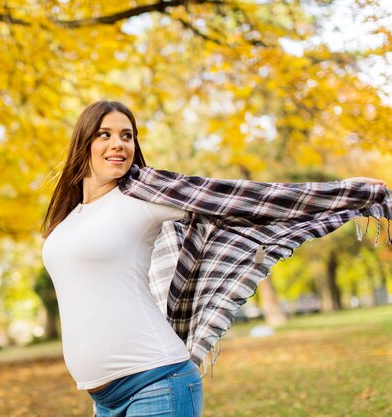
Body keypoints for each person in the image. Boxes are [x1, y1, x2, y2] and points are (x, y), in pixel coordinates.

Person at [41, 100, 390, 417]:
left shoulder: (143, 198)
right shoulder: (68, 217)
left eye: (127, 135)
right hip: (104, 401)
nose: (119, 143)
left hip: (156, 382)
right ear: (83, 141)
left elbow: (246, 199)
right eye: (105, 134)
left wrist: (348, 192)